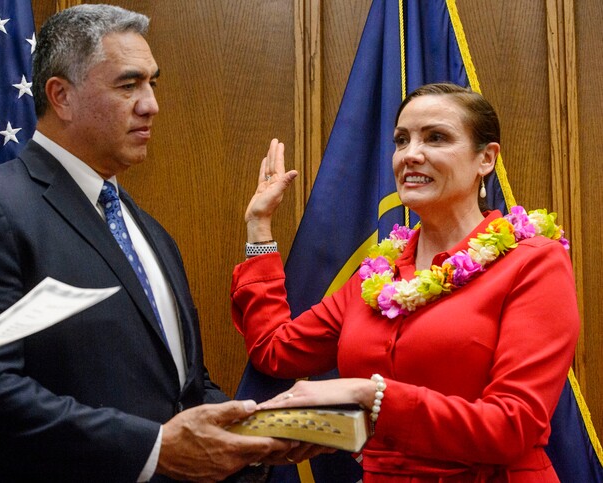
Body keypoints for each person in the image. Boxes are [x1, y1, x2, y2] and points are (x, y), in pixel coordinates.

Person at [0, 5, 318, 482]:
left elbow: (182, 388)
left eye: (152, 84)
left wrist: (253, 435)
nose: (151, 104)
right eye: (128, 85)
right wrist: (154, 448)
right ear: (60, 96)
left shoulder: (151, 232)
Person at [231, 83, 580, 481]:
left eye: (436, 138)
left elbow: (513, 426)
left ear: (486, 158)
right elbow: (275, 351)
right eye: (401, 140)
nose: (410, 155)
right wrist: (259, 226)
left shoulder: (533, 262)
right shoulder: (376, 275)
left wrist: (367, 396)